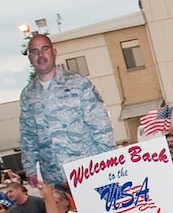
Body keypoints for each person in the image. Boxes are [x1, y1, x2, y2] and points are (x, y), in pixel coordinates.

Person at [17, 31, 112, 186]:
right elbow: (28, 134)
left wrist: (108, 160)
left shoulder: (78, 83)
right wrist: (30, 168)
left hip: (87, 171)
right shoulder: (28, 94)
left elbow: (101, 125)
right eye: (34, 51)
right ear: (30, 58)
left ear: (54, 52)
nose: (40, 55)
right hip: (53, 176)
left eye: (45, 49)